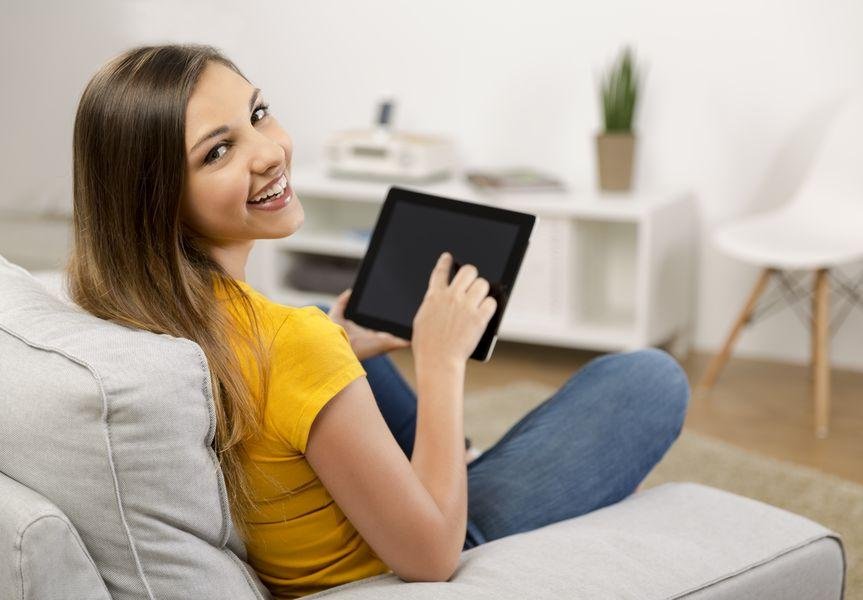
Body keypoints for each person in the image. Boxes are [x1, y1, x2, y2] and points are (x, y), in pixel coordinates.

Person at [65, 43, 690, 600]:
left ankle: (460, 458)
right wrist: (441, 358)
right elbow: (430, 558)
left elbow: (277, 386)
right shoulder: (290, 345)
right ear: (154, 196)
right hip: (407, 548)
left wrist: (336, 348)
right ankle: (464, 468)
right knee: (650, 379)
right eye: (219, 151)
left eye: (258, 115)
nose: (268, 153)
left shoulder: (129, 304)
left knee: (321, 320)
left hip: (321, 499)